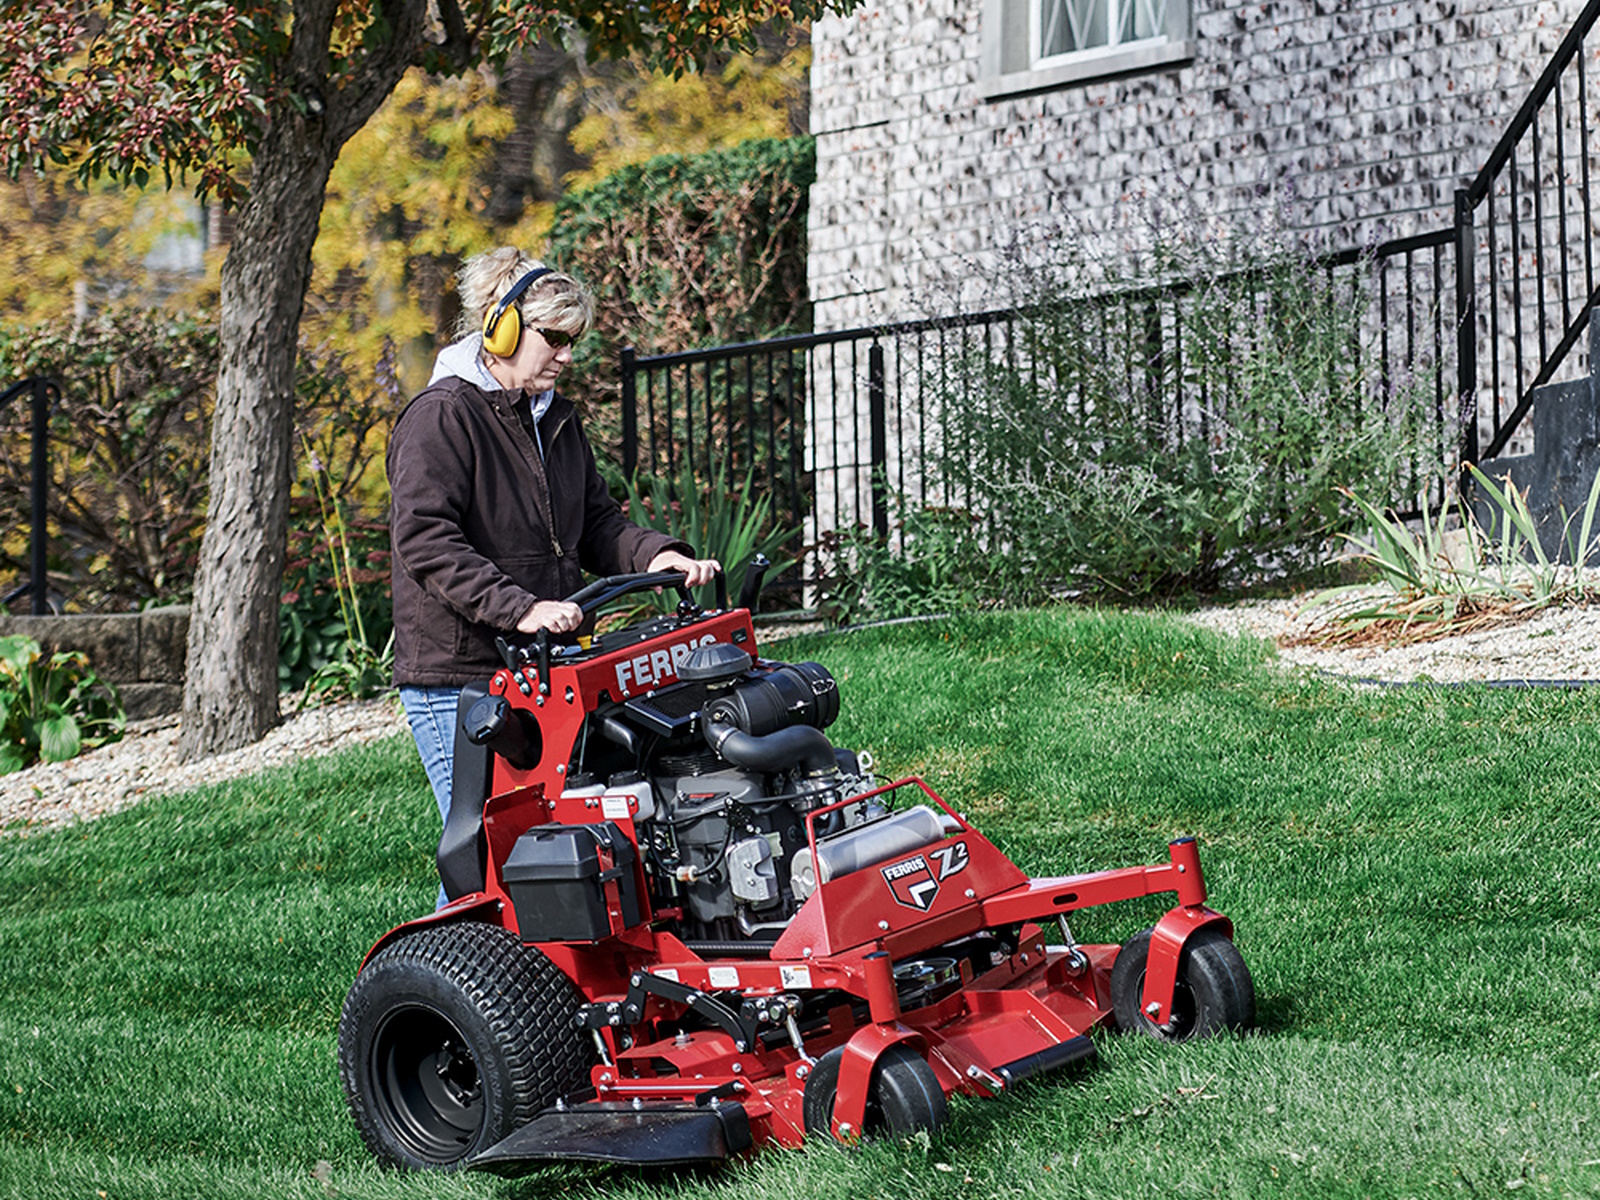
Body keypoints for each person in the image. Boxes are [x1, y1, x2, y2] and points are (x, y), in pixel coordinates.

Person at [387, 247, 719, 902]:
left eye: (574, 341)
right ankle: (449, 967)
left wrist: (657, 556)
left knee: (554, 850)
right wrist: (520, 608)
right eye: (555, 338)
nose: (567, 355)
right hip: (462, 676)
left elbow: (596, 524)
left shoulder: (555, 419)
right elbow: (425, 540)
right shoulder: (441, 416)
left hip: (544, 667)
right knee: (487, 858)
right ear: (501, 328)